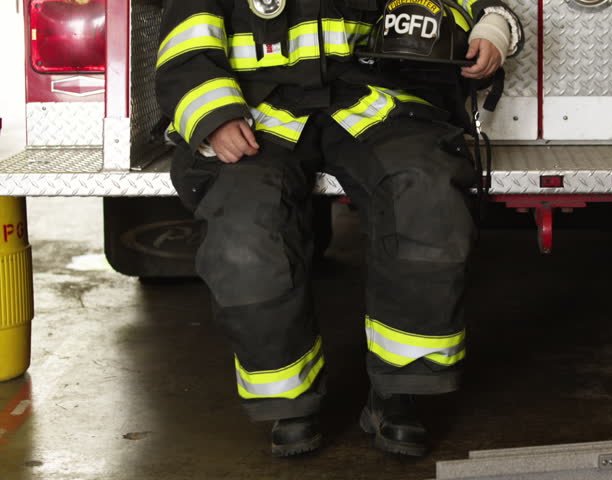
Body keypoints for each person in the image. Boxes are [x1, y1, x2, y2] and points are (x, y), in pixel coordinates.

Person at [155, 0, 524, 457]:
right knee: (246, 231)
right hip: (257, 112)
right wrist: (214, 116)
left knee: (426, 193)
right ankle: (289, 400)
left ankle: (399, 390)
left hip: (370, 99)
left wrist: (492, 25)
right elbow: (185, 44)